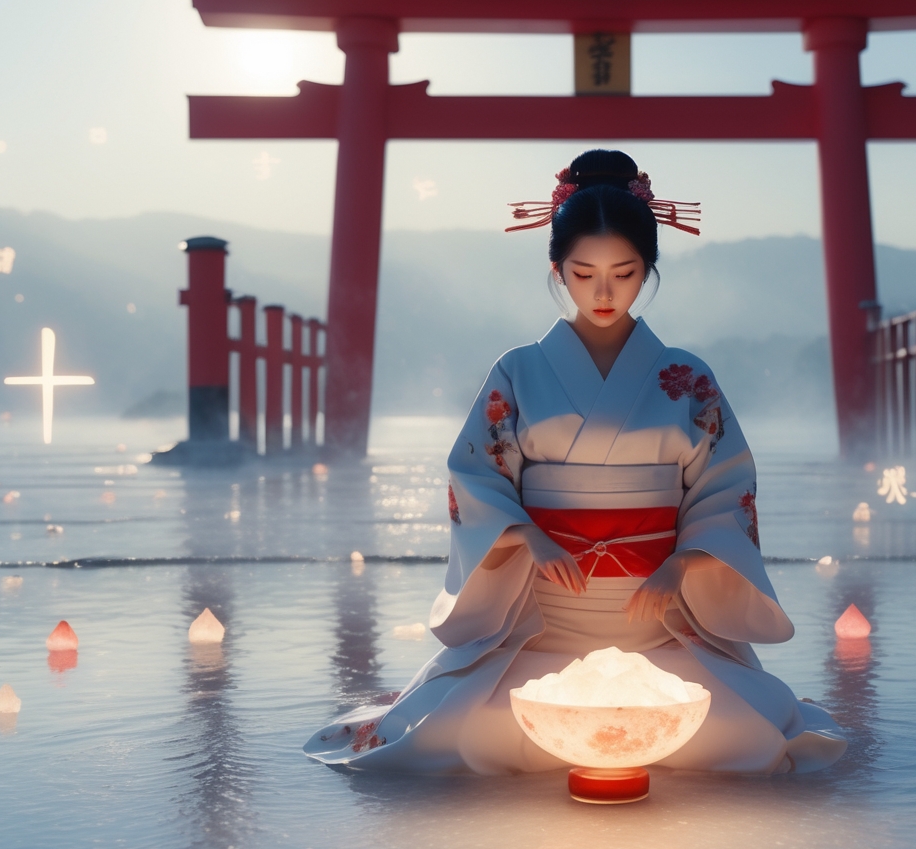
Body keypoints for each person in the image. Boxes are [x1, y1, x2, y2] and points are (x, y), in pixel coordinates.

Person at [303, 149, 846, 776]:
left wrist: (683, 561)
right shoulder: (520, 371)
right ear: (558, 271)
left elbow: (725, 489)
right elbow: (476, 474)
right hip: (546, 626)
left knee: (738, 737)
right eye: (584, 273)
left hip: (657, 623)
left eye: (625, 272)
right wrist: (528, 534)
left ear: (648, 270)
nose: (605, 291)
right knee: (466, 731)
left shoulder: (687, 378)